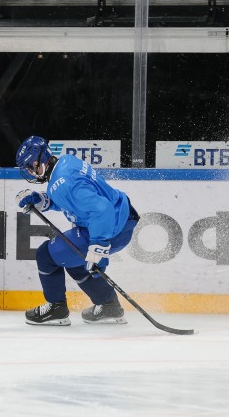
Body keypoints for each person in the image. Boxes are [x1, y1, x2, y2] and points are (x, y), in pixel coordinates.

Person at [15, 136, 140, 326]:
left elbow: (101, 209)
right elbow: (74, 199)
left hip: (110, 227)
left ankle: (56, 308)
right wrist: (42, 200)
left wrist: (99, 247)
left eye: (29, 167)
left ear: (36, 162)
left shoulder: (63, 182)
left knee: (45, 255)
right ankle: (108, 305)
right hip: (121, 220)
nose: (30, 172)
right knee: (71, 259)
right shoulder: (66, 162)